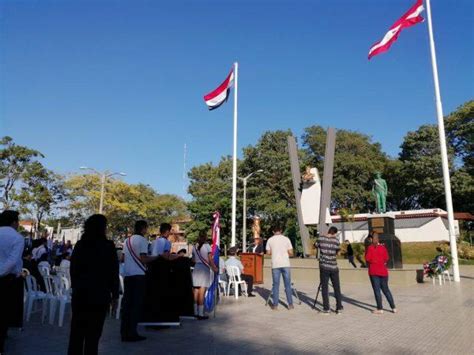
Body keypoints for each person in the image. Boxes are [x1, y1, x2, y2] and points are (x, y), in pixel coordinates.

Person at [68, 214, 120, 355]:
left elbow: (73, 269)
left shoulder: (80, 245)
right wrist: (115, 295)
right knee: (94, 334)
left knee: (77, 333)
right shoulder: (108, 246)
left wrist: (76, 287)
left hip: (81, 294)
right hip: (100, 295)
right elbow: (113, 273)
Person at [121, 220, 158, 342]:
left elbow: (123, 258)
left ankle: (124, 332)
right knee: (136, 305)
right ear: (143, 229)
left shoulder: (127, 240)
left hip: (128, 275)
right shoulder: (142, 240)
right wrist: (156, 257)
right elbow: (143, 258)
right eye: (146, 228)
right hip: (139, 275)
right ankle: (132, 332)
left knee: (127, 305)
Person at [0, 210, 24, 354]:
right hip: (6, 280)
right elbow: (12, 261)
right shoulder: (17, 238)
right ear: (14, 222)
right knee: (3, 314)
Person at [365, 233, 397, 315]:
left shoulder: (370, 248)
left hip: (374, 272)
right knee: (386, 290)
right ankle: (393, 307)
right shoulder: (383, 247)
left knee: (377, 291)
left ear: (372, 239)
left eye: (370, 239)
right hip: (383, 271)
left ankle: (380, 308)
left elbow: (367, 258)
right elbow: (386, 258)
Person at [266, 225, 294, 310]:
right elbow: (291, 252)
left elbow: (268, 252)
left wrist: (274, 252)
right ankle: (290, 304)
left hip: (275, 264)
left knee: (275, 285)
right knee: (288, 285)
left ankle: (275, 305)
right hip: (285, 263)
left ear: (273, 231)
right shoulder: (286, 239)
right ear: (281, 230)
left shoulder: (270, 240)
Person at [317, 226, 343, 315]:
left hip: (324, 266)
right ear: (335, 233)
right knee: (337, 287)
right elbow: (338, 253)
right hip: (334, 267)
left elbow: (315, 246)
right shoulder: (336, 240)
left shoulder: (321, 238)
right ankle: (339, 307)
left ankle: (326, 309)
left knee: (325, 288)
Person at [191, 232, 217, 320]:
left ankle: (195, 312)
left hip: (196, 268)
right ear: (205, 238)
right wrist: (214, 268)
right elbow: (210, 260)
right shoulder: (207, 246)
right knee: (202, 291)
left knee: (196, 291)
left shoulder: (194, 246)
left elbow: (193, 260)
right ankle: (201, 314)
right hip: (204, 269)